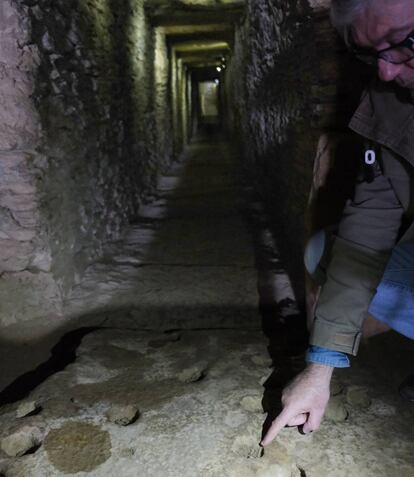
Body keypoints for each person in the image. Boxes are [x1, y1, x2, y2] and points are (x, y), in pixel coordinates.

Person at [261, 0, 414, 446]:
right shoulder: (391, 103)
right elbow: (368, 228)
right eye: (370, 54)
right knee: (326, 251)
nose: (384, 73)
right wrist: (319, 365)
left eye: (404, 43)